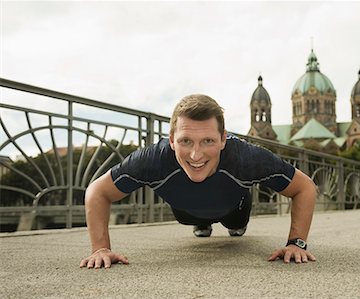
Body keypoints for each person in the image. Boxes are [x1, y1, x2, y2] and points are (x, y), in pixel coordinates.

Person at [79, 94, 317, 269]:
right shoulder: (153, 159)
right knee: (191, 218)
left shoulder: (247, 157)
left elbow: (304, 187)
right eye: (185, 141)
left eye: (208, 141)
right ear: (171, 140)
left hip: (234, 208)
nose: (196, 155)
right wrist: (101, 249)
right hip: (186, 212)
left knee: (235, 226)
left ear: (224, 139)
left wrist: (296, 243)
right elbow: (97, 191)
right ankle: (202, 223)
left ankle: (233, 223)